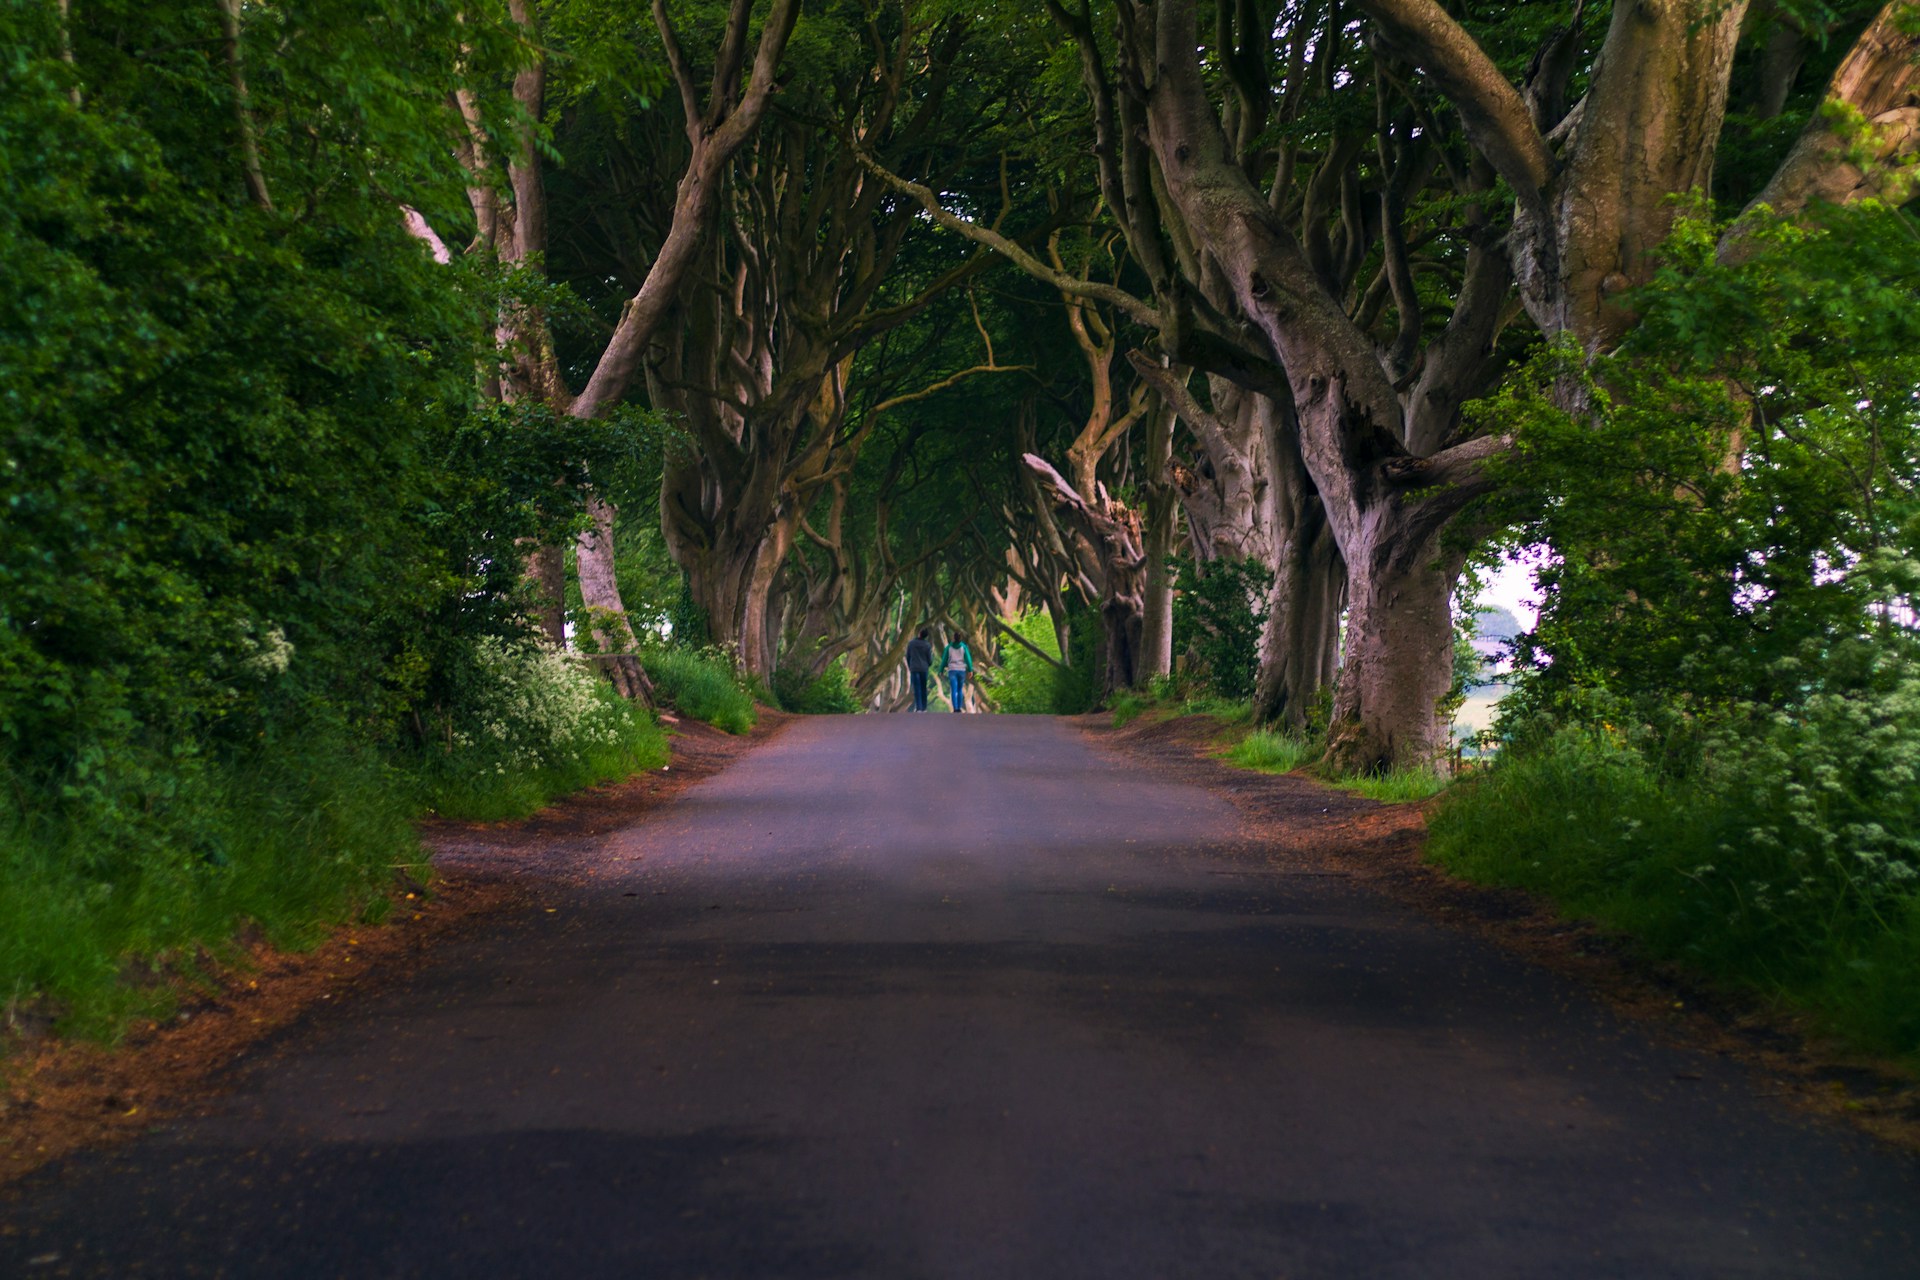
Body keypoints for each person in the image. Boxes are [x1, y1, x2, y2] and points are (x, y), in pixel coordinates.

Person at [941, 633, 974, 712]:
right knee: (959, 689)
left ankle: (955, 708)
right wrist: (970, 670)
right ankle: (959, 708)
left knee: (954, 689)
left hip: (952, 670)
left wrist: (941, 670)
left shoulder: (949, 647)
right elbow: (968, 659)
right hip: (961, 671)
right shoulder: (964, 647)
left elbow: (944, 659)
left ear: (953, 638)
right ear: (960, 638)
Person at [904, 626, 933, 712]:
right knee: (923, 687)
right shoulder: (927, 645)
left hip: (914, 668)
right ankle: (924, 708)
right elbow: (929, 659)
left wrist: (910, 665)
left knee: (917, 688)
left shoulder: (911, 643)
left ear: (919, 634)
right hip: (924, 669)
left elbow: (908, 656)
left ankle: (919, 708)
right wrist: (928, 664)